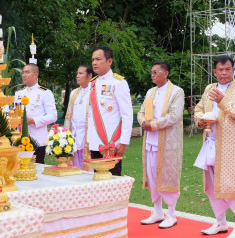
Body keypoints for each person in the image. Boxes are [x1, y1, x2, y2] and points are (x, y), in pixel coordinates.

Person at [194, 55, 235, 238]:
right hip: (210, 143)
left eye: (228, 69)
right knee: (212, 186)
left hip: (231, 147)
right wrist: (199, 121)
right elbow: (199, 108)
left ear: (233, 70)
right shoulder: (209, 89)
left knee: (234, 184)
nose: (224, 72)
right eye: (220, 69)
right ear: (215, 72)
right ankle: (220, 222)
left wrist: (223, 100)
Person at [137, 61, 184, 229]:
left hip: (167, 143)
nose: (152, 75)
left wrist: (154, 125)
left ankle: (171, 214)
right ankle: (157, 211)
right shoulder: (151, 91)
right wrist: (143, 121)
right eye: (151, 72)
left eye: (156, 72)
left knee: (167, 176)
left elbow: (174, 116)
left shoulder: (177, 92)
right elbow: (142, 111)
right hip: (150, 141)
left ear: (166, 73)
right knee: (151, 175)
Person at [87, 46, 133, 176]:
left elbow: (127, 115)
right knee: (97, 182)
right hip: (96, 142)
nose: (94, 63)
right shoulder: (93, 83)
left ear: (109, 61)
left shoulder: (119, 83)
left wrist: (123, 142)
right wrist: (90, 140)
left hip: (111, 143)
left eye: (98, 59)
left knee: (113, 182)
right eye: (93, 59)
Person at [14, 63, 57, 164]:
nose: (24, 75)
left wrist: (34, 121)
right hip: (19, 138)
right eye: (23, 72)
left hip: (37, 139)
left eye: (27, 72)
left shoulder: (45, 93)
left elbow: (53, 116)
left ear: (36, 75)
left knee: (36, 169)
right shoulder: (18, 93)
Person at [64, 65, 94, 170]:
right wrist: (66, 135)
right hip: (74, 134)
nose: (77, 76)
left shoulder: (95, 92)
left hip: (88, 135)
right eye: (77, 73)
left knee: (88, 166)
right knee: (74, 164)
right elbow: (68, 116)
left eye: (81, 73)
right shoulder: (74, 93)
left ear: (89, 75)